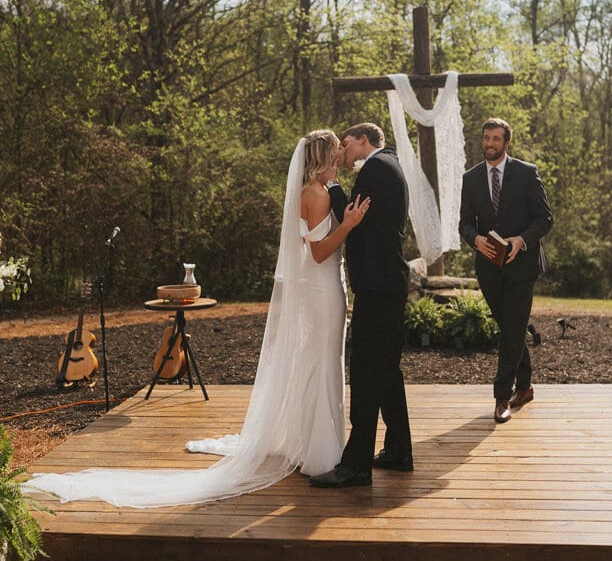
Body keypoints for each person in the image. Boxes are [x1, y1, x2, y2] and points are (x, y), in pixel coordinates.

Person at [24, 130, 368, 508]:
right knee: (321, 366)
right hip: (321, 290)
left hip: (319, 291)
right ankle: (321, 454)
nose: (340, 155)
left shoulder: (311, 190)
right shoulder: (316, 195)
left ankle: (313, 444)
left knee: (317, 364)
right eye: (335, 151)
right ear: (323, 156)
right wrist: (349, 226)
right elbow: (319, 253)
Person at [310, 123, 413, 488]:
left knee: (368, 372)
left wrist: (334, 184)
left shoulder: (375, 167)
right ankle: (400, 451)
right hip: (388, 283)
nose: (343, 150)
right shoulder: (390, 164)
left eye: (348, 143)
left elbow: (355, 217)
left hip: (379, 285)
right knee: (386, 371)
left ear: (364, 140)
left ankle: (355, 466)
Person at [459, 118, 553, 424]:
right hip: (488, 267)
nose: (489, 144)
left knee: (512, 328)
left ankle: (502, 396)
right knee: (510, 327)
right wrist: (475, 239)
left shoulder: (527, 173)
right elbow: (464, 222)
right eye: (486, 138)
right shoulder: (470, 178)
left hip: (523, 266)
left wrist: (521, 240)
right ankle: (525, 386)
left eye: (496, 139)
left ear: (506, 142)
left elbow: (545, 219)